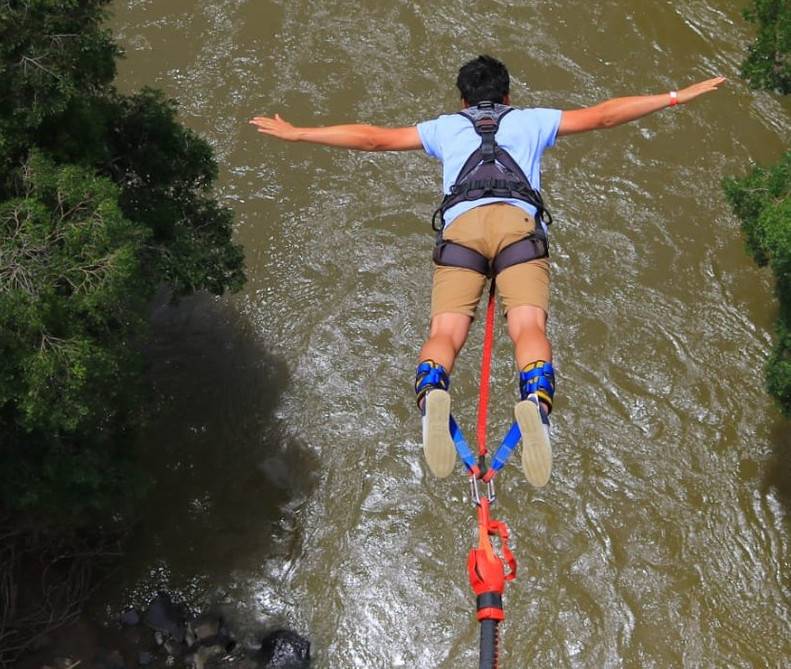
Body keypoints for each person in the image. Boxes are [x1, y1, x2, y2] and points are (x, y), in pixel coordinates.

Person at [250, 55, 726, 487]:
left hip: (462, 234)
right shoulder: (533, 121)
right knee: (527, 327)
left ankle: (434, 385)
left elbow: (373, 138)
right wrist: (674, 96)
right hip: (519, 230)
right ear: (508, 96)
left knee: (446, 331)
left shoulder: (444, 128)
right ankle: (536, 398)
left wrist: (299, 133)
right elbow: (603, 115)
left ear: (462, 100)